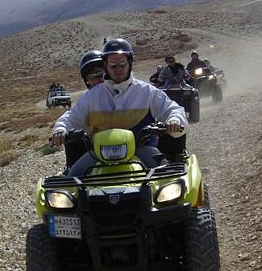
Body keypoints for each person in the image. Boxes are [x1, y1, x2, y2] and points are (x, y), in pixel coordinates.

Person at [52, 38, 188, 175]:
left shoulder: (147, 92)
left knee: (167, 180)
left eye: (122, 64)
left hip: (142, 151)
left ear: (130, 63)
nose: (118, 69)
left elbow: (172, 109)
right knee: (72, 180)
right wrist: (61, 128)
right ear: (105, 65)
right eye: (113, 65)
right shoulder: (91, 96)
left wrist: (174, 120)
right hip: (99, 155)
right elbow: (72, 117)